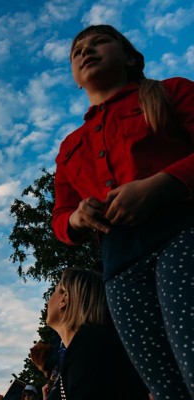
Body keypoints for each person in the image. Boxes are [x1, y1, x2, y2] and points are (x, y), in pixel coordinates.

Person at [51, 24, 194, 399]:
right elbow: (60, 217)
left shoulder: (169, 92)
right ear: (75, 79)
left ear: (130, 57)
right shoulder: (69, 147)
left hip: (181, 235)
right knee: (164, 388)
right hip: (120, 269)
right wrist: (78, 218)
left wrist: (161, 184)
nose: (86, 50)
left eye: (99, 42)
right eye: (77, 50)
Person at [45, 267, 149, 400]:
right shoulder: (85, 347)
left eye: (54, 291)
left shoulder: (89, 345)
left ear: (64, 299)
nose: (49, 300)